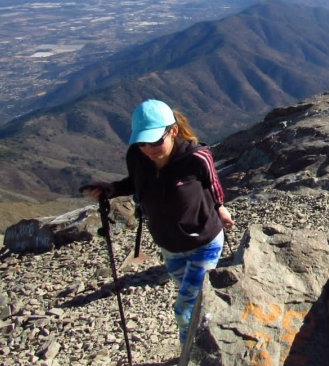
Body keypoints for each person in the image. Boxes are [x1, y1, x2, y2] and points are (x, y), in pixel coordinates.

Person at [80, 99, 234, 346]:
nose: (148, 148)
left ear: (172, 131)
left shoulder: (196, 157)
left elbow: (212, 183)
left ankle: (191, 355)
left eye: (155, 141)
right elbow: (137, 182)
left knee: (183, 310)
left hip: (204, 240)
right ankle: (216, 334)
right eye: (142, 142)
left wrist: (220, 206)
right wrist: (111, 189)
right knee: (194, 301)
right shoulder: (137, 157)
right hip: (169, 246)